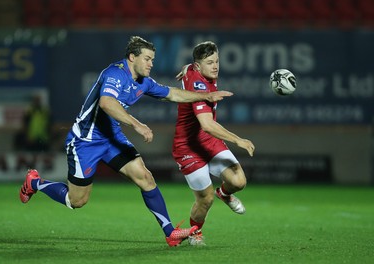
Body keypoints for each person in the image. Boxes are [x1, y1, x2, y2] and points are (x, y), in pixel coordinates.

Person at [19, 36, 233, 247]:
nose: (151, 64)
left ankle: (170, 233)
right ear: (132, 57)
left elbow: (173, 93)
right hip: (85, 141)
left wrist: (204, 96)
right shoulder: (115, 74)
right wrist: (137, 124)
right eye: (147, 59)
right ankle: (35, 182)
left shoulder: (144, 82)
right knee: (77, 201)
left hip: (111, 138)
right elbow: (106, 102)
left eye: (153, 59)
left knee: (146, 179)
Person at [172, 41, 255, 246]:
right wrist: (238, 139)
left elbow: (189, 68)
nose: (216, 66)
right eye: (210, 63)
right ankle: (195, 233)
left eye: (217, 61)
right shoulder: (199, 85)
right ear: (199, 67)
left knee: (238, 182)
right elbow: (207, 124)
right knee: (205, 199)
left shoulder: (196, 70)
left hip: (207, 141)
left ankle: (224, 194)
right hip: (188, 146)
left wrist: (188, 67)